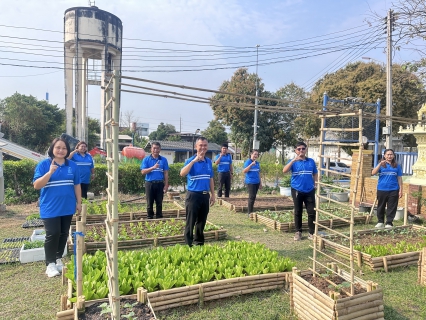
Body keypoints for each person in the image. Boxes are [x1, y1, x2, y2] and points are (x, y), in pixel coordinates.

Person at [33, 138, 82, 277]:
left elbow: (77, 185)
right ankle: (50, 264)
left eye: (64, 148)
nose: (61, 150)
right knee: (52, 233)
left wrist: (79, 203)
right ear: (52, 149)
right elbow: (37, 185)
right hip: (50, 207)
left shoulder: (72, 165)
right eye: (58, 148)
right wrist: (49, 173)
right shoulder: (44, 164)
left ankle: (58, 258)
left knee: (63, 234)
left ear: (67, 150)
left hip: (67, 206)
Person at [180, 137, 215, 246]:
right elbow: (182, 173)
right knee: (190, 221)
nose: (203, 147)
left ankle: (199, 242)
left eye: (205, 145)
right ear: (196, 147)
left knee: (202, 221)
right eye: (200, 145)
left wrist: (213, 195)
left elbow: (211, 179)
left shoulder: (209, 161)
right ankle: (188, 244)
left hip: (205, 196)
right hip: (193, 195)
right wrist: (194, 161)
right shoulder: (190, 161)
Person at [283, 142, 318, 241]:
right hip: (297, 190)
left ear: (306, 149)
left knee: (311, 212)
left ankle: (311, 233)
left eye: (303, 148)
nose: (301, 150)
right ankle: (298, 232)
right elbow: (284, 170)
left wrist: (316, 184)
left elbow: (315, 173)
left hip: (310, 190)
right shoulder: (293, 162)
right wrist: (293, 160)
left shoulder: (311, 161)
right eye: (299, 149)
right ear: (295, 150)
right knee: (298, 211)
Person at [372, 148, 403, 228]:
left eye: (391, 154)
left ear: (393, 155)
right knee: (381, 206)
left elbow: (399, 178)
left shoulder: (397, 166)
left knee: (392, 207)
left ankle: (389, 222)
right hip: (382, 189)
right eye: (388, 154)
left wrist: (401, 190)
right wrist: (379, 164)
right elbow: (373, 173)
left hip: (394, 190)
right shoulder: (381, 165)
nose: (389, 156)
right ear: (385, 156)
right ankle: (380, 221)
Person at [140, 142, 169, 219]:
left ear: (160, 149)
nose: (156, 150)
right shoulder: (146, 159)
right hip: (149, 183)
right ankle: (150, 216)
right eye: (154, 148)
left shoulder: (163, 160)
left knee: (159, 202)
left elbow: (166, 173)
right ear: (151, 149)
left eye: (157, 148)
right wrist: (153, 167)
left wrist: (166, 185)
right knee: (150, 202)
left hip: (160, 184)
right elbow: (143, 172)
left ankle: (159, 216)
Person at [243, 150, 262, 216]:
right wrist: (251, 164)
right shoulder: (248, 162)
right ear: (251, 154)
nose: (255, 156)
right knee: (251, 197)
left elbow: (259, 173)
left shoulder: (257, 163)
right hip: (250, 182)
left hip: (257, 182)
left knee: (254, 197)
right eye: (254, 154)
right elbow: (244, 171)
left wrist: (260, 183)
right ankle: (249, 213)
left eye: (257, 155)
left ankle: (251, 211)